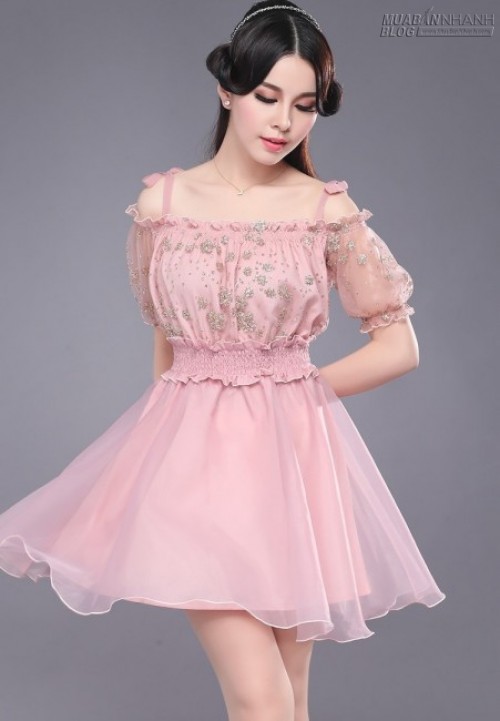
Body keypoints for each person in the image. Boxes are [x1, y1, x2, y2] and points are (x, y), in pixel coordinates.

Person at [0, 2, 446, 720]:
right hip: (194, 474)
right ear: (227, 88)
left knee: (291, 699)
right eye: (267, 96)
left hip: (293, 468)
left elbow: (399, 346)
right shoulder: (163, 204)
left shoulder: (325, 211)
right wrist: (168, 459)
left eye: (304, 105)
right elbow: (166, 344)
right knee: (262, 699)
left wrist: (292, 393)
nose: (283, 121)